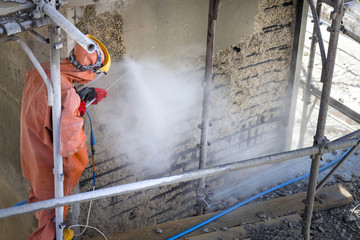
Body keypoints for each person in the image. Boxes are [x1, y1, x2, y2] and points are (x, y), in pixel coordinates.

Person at [20, 35, 111, 240]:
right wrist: (77, 110)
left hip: (31, 152)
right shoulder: (66, 93)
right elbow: (70, 146)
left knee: (40, 204)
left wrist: (79, 98)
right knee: (53, 216)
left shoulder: (42, 70)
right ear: (90, 71)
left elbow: (50, 106)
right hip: (49, 163)